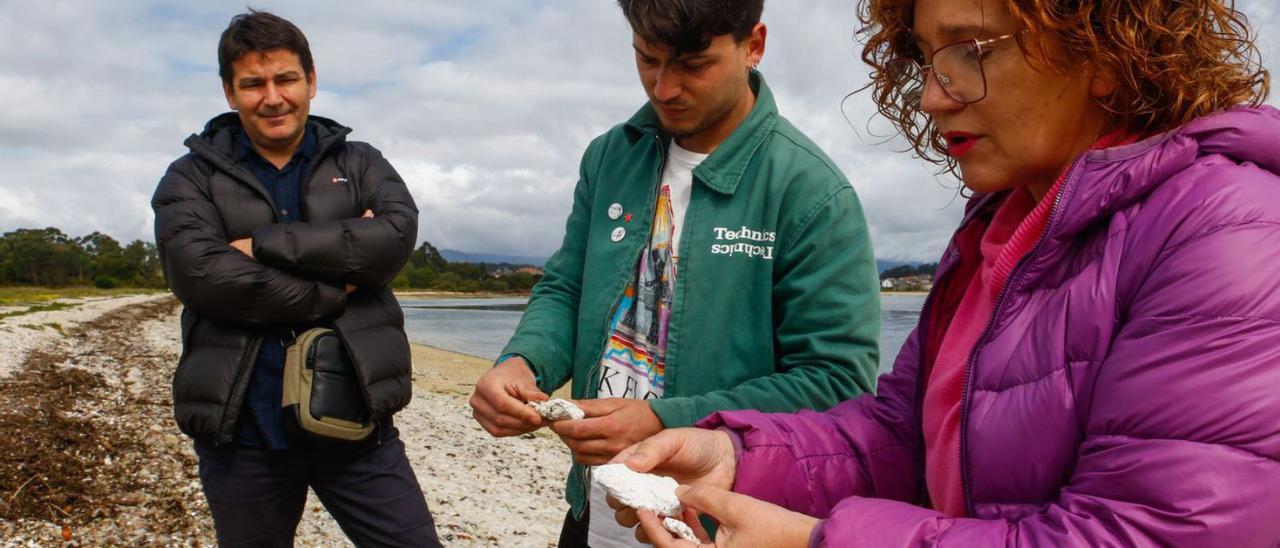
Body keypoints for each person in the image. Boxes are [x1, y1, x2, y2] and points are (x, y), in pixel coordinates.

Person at [607, 0, 1280, 545]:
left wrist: (818, 542)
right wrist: (737, 457)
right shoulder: (1000, 230)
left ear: (1105, 47)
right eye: (927, 58)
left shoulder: (1226, 230)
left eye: (972, 49)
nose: (931, 95)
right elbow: (902, 435)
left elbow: (1150, 533)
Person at [468, 0, 881, 545]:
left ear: (753, 44)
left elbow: (838, 382)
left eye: (693, 64)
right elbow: (569, 287)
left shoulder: (811, 191)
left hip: (720, 522)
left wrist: (666, 418)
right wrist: (523, 362)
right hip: (595, 504)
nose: (663, 89)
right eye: (647, 59)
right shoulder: (610, 157)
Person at [151, 10, 440, 546]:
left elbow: (394, 238)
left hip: (356, 421)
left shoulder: (359, 163)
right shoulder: (189, 177)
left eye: (285, 78)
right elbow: (203, 276)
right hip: (242, 432)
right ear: (229, 93)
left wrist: (262, 244)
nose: (272, 97)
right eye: (252, 84)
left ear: (311, 80)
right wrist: (337, 285)